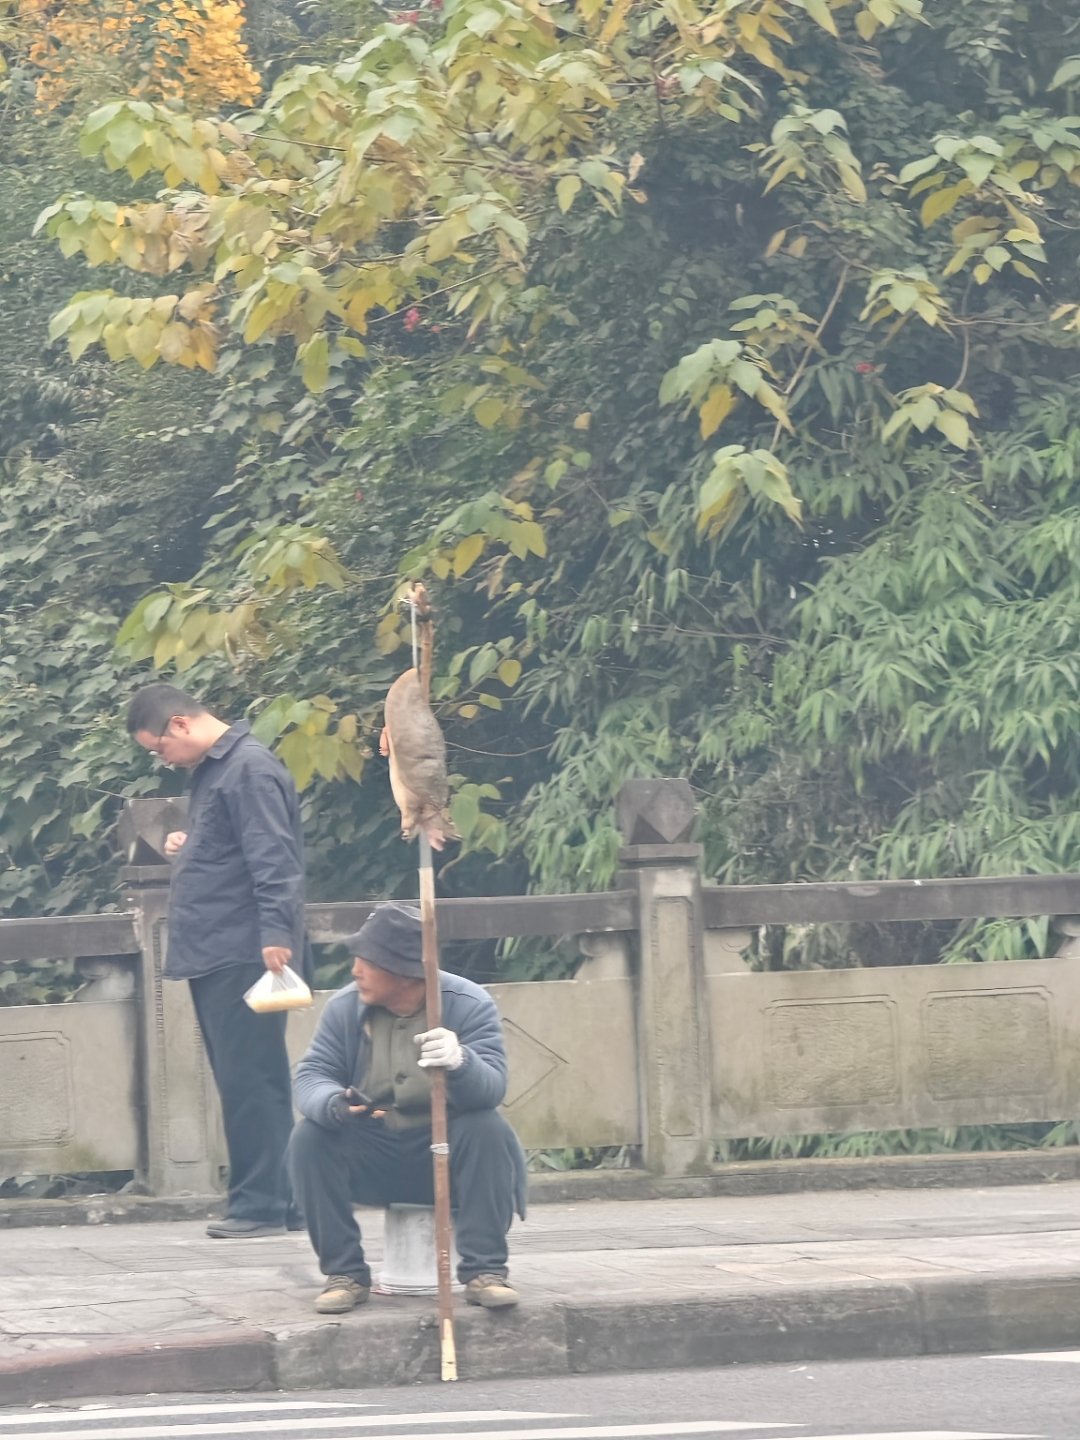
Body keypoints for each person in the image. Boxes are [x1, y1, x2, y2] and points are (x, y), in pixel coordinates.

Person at [127, 682, 312, 1239]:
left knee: (249, 1079)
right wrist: (190, 844)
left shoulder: (248, 768)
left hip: (245, 949)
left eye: (159, 748)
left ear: (180, 724)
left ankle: (260, 1204)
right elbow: (233, 847)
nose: (163, 759)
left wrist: (276, 933)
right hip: (221, 946)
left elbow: (274, 857)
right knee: (250, 1078)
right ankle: (285, 1199)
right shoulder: (217, 771)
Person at [288, 901, 527, 1314]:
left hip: (445, 1151)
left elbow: (492, 1088)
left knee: (488, 1128)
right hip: (373, 1150)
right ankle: (344, 1274)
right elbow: (312, 1074)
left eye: (367, 962)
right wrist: (332, 1103)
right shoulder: (345, 1008)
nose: (355, 971)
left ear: (402, 971)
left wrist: (462, 1062)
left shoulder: (468, 1003)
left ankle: (485, 1272)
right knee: (308, 1138)